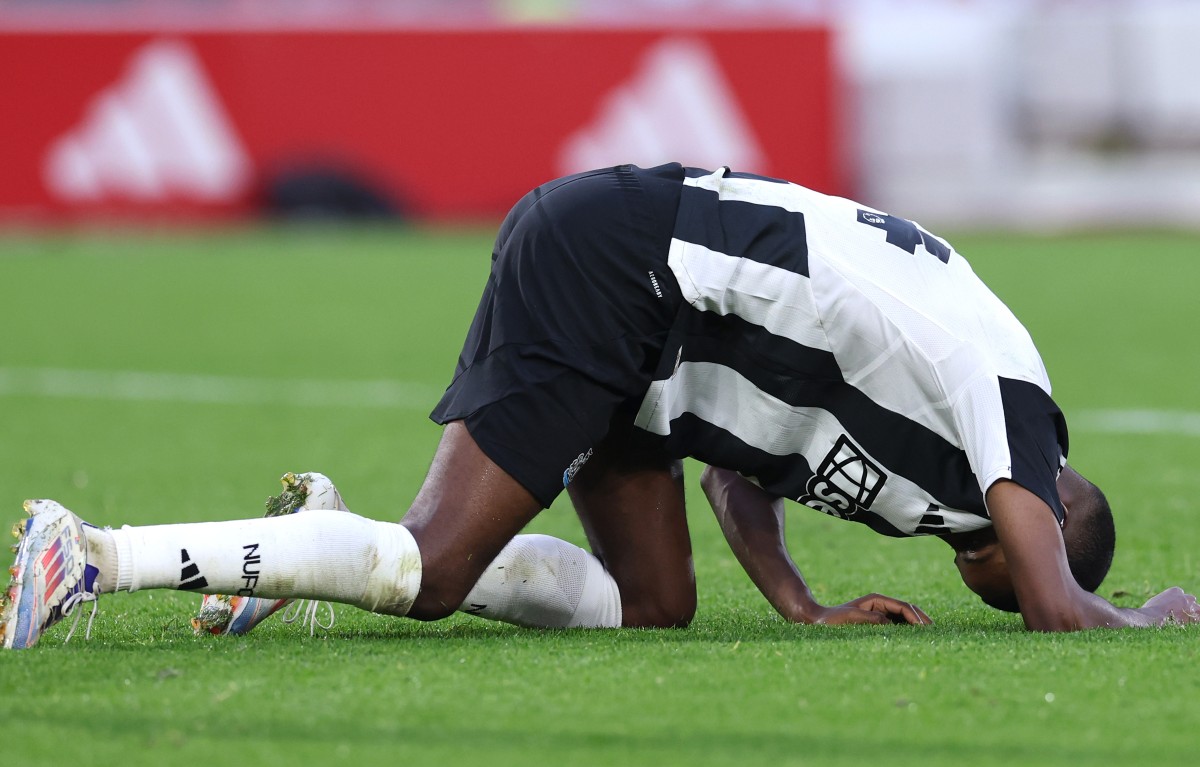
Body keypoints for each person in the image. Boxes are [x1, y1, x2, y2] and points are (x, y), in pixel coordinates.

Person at [4, 164, 1197, 650]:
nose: (967, 565)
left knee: (656, 605)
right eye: (990, 557)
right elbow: (1056, 608)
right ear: (1032, 516)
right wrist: (1151, 613)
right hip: (626, 272)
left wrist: (799, 601)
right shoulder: (1010, 407)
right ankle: (97, 553)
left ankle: (311, 541)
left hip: (659, 344)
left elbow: (753, 451)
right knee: (429, 573)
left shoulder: (947, 434)